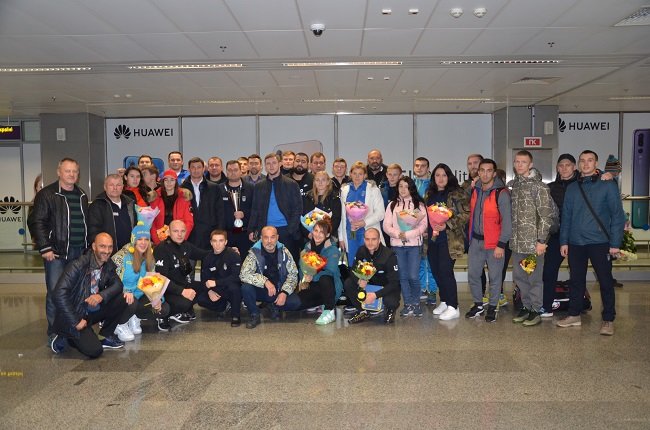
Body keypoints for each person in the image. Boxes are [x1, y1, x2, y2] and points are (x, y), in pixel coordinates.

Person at [557, 150, 625, 336]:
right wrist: (564, 241)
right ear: (579, 164)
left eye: (590, 160)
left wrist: (615, 243)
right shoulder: (572, 188)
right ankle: (574, 315)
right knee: (576, 280)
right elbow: (566, 217)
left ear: (596, 163)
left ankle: (608, 319)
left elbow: (617, 215)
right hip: (576, 242)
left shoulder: (607, 185)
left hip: (600, 242)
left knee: (605, 281)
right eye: (582, 161)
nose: (586, 164)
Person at [28, 158, 89, 343]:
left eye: (75, 171)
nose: (71, 174)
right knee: (56, 293)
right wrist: (45, 247)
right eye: (67, 171)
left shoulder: (81, 194)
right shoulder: (47, 194)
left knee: (75, 292)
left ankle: (71, 328)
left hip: (78, 252)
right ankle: (55, 333)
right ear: (59, 172)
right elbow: (36, 221)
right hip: (56, 253)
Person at [49, 233, 131, 357]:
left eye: (110, 247)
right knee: (94, 351)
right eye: (102, 246)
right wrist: (76, 321)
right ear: (94, 246)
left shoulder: (107, 264)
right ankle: (65, 335)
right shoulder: (77, 265)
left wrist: (101, 296)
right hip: (74, 314)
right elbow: (59, 294)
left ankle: (104, 336)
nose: (107, 251)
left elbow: (118, 285)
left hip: (89, 312)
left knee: (122, 298)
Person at [510, 150, 555, 327]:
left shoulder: (540, 187)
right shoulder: (515, 186)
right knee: (520, 278)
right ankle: (526, 307)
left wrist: (541, 241)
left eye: (523, 162)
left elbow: (545, 216)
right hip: (517, 244)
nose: (519, 165)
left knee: (533, 279)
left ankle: (536, 310)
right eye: (517, 161)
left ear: (531, 164)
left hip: (533, 245)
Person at [465, 159, 512, 323]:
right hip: (476, 242)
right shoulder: (475, 190)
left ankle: (492, 307)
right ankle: (478, 304)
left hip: (494, 244)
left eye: (489, 170)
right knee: (473, 275)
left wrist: (501, 244)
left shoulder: (501, 193)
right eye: (482, 170)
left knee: (495, 277)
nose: (485, 174)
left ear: (494, 173)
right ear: (478, 172)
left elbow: (507, 222)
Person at [425, 163, 470, 321]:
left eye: (444, 175)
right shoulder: (429, 194)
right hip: (432, 239)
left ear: (449, 176)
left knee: (445, 271)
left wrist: (448, 224)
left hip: (449, 240)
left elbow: (466, 214)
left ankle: (453, 306)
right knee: (436, 271)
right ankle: (444, 301)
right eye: (437, 175)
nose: (441, 178)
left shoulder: (457, 193)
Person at [112, 224, 172, 335]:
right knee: (131, 302)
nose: (143, 243)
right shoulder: (121, 256)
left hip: (138, 298)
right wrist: (124, 291)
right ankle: (118, 324)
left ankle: (133, 317)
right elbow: (110, 281)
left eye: (146, 239)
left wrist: (158, 299)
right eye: (139, 239)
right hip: (121, 297)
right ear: (133, 239)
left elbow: (153, 284)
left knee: (164, 308)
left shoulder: (150, 259)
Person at [383, 176, 428, 318]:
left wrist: (408, 234)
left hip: (414, 245)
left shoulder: (419, 205)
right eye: (400, 186)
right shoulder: (392, 205)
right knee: (402, 276)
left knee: (413, 276)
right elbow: (386, 226)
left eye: (406, 186)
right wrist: (398, 234)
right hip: (397, 246)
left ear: (411, 188)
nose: (403, 189)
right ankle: (407, 304)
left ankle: (416, 303)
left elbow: (423, 226)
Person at [240, 226, 299, 329]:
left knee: (295, 303)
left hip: (279, 290)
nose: (269, 241)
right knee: (246, 288)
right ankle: (254, 314)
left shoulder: (285, 252)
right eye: (266, 237)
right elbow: (243, 274)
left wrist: (284, 292)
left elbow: (293, 274)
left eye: (272, 237)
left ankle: (272, 305)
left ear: (277, 237)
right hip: (262, 290)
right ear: (261, 238)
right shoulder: (254, 253)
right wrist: (265, 281)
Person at [248, 153, 303, 263]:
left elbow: (298, 209)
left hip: (286, 231)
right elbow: (255, 209)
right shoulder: (259, 186)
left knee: (288, 265)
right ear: (265, 166)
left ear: (280, 164)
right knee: (268, 265)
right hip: (266, 231)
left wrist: (290, 230)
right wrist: (251, 229)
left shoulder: (291, 184)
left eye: (274, 163)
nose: (271, 166)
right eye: (268, 163)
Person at [153, 220, 210, 323]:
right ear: (168, 232)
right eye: (176, 231)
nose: (179, 234)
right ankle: (164, 315)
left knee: (204, 286)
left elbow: (203, 254)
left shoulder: (185, 245)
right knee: (184, 303)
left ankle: (185, 309)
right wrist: (182, 291)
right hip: (167, 290)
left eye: (182, 231)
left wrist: (225, 250)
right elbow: (160, 279)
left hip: (182, 284)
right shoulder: (162, 249)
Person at [344, 228, 400, 324]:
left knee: (391, 301)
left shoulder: (389, 255)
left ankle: (389, 310)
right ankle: (363, 311)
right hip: (368, 284)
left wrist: (375, 295)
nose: (370, 242)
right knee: (349, 283)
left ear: (379, 240)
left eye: (373, 239)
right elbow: (353, 270)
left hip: (385, 286)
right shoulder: (361, 250)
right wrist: (358, 281)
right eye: (367, 239)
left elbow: (394, 283)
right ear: (364, 239)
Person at [292, 219, 342, 325]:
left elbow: (330, 270)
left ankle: (329, 310)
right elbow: (302, 267)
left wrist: (312, 277)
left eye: (321, 232)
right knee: (294, 304)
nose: (317, 235)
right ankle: (319, 303)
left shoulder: (333, 250)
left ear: (327, 235)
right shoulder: (307, 247)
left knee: (325, 278)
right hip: (312, 286)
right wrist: (304, 278)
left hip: (329, 287)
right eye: (315, 230)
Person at [338, 161, 385, 264]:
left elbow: (381, 213)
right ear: (350, 174)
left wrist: (364, 222)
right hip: (350, 234)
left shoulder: (373, 189)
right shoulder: (345, 190)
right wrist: (341, 237)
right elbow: (342, 216)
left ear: (365, 175)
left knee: (368, 264)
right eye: (354, 173)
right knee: (352, 263)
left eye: (360, 174)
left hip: (367, 232)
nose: (357, 176)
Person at [199, 230, 243, 327]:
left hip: (229, 286)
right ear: (211, 242)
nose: (218, 244)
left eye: (221, 241)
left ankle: (236, 315)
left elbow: (236, 277)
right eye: (215, 241)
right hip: (217, 288)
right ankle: (223, 306)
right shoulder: (207, 258)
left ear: (226, 242)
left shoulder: (233, 254)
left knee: (234, 288)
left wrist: (216, 283)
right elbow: (204, 279)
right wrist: (209, 291)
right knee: (201, 299)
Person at [180, 157, 224, 250]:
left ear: (204, 169)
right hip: (189, 233)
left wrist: (219, 232)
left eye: (199, 167)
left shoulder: (214, 188)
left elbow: (220, 211)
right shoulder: (181, 189)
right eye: (193, 167)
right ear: (189, 169)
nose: (196, 170)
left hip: (209, 233)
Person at [412, 157, 438, 306]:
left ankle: (432, 290)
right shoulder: (411, 185)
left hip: (431, 230)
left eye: (423, 166)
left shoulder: (433, 186)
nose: (419, 168)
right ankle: (422, 288)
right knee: (419, 261)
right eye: (417, 165)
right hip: (414, 230)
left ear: (428, 168)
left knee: (431, 260)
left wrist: (428, 227)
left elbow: (436, 209)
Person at [88, 174, 137, 253]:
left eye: (118, 185)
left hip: (129, 252)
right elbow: (93, 231)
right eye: (111, 185)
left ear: (122, 187)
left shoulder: (130, 204)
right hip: (108, 254)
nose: (115, 188)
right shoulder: (97, 205)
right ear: (105, 187)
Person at [150, 169, 194, 245]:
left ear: (176, 182)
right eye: (166, 180)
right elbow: (151, 223)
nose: (169, 183)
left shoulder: (184, 198)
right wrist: (157, 242)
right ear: (163, 182)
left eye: (172, 180)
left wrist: (180, 239)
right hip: (160, 240)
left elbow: (189, 222)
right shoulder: (155, 198)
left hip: (179, 240)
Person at [221, 159, 255, 257]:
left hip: (245, 234)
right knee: (227, 261)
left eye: (235, 170)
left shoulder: (251, 188)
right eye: (230, 170)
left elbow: (255, 210)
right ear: (226, 172)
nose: (233, 172)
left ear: (241, 171)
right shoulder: (219, 189)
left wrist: (244, 214)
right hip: (227, 234)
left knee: (245, 261)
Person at [303, 171, 342, 238]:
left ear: (328, 182)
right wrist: (308, 233)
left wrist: (326, 234)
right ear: (314, 182)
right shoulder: (307, 197)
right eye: (317, 180)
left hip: (328, 236)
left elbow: (336, 220)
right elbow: (303, 216)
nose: (320, 182)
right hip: (311, 236)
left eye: (323, 180)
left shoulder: (334, 198)